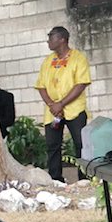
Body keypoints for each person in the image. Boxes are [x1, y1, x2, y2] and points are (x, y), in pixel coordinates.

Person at [35, 26, 91, 182]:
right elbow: (41, 86)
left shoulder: (78, 58)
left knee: (80, 144)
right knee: (52, 145)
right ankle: (56, 178)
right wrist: (53, 105)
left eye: (51, 38)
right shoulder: (47, 61)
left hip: (75, 109)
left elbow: (81, 84)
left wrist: (61, 103)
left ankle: (84, 178)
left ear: (62, 39)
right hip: (53, 112)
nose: (48, 41)